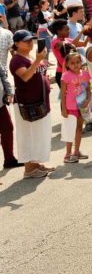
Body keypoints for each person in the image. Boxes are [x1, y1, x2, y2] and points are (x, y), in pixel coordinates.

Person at [10, 30, 53, 179]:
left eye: (31, 40)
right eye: (26, 40)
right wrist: (38, 60)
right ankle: (29, 169)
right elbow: (26, 76)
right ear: (17, 44)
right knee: (29, 135)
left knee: (39, 134)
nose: (30, 42)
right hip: (27, 104)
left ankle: (36, 164)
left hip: (38, 101)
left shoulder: (28, 56)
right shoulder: (16, 60)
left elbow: (36, 73)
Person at [58, 51, 92, 163]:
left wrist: (88, 100)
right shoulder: (66, 76)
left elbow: (88, 89)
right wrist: (63, 108)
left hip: (82, 106)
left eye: (78, 62)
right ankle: (67, 154)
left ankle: (76, 151)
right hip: (70, 107)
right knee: (70, 130)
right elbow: (62, 93)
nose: (76, 65)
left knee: (79, 128)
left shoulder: (85, 74)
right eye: (72, 63)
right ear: (67, 64)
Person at [0, 24, 21, 171]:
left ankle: (9, 159)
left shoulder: (6, 34)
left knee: (7, 127)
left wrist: (9, 91)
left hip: (0, 92)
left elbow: (2, 72)